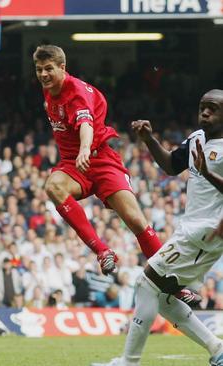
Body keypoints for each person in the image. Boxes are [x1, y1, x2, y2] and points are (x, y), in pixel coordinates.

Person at [92, 89, 223, 366]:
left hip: (206, 233)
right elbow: (171, 166)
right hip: (192, 230)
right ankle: (216, 349)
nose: (206, 113)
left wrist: (209, 173)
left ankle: (129, 361)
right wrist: (149, 139)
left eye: (213, 108)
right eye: (202, 107)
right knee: (162, 297)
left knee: (145, 282)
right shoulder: (197, 138)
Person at [35, 45, 173, 278]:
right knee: (53, 186)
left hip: (99, 158)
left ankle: (174, 280)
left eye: (48, 69)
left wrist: (85, 149)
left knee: (136, 221)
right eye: (39, 69)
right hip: (73, 164)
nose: (43, 74)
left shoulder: (75, 91)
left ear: (62, 67)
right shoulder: (49, 89)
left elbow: (86, 124)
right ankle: (102, 251)